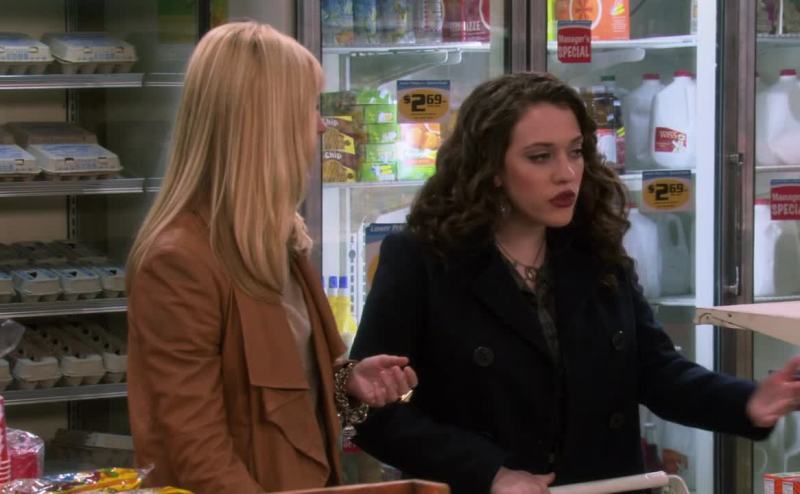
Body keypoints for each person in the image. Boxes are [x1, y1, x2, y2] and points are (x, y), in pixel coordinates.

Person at [349, 72, 800, 494]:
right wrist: (490, 472)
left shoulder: (595, 251)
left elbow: (656, 371)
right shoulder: (423, 259)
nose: (567, 172)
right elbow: (374, 413)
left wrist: (750, 402)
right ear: (491, 168)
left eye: (576, 151)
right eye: (540, 156)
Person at [125, 22, 417, 494]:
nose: (321, 125)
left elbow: (273, 391)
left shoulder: (277, 240)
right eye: (310, 107)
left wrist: (345, 382)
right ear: (265, 124)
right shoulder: (178, 262)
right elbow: (195, 450)